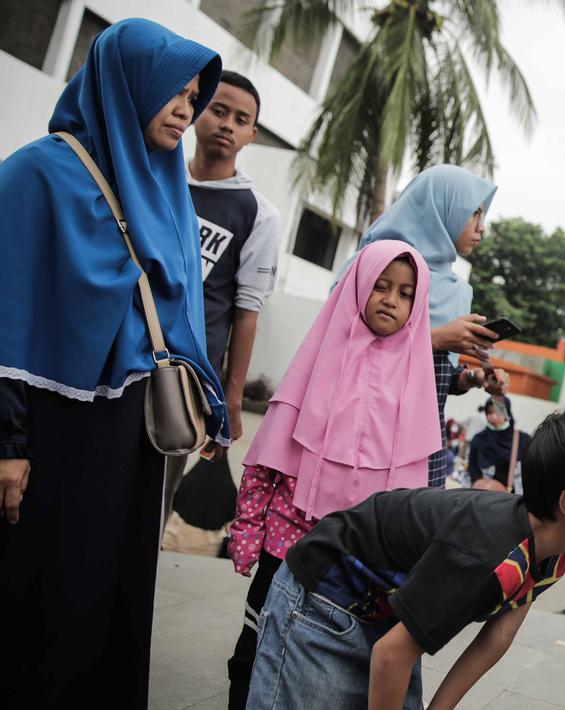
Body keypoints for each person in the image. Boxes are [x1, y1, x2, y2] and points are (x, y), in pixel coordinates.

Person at [0, 19, 226, 707]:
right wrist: (7, 443)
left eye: (194, 95)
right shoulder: (37, 173)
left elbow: (180, 312)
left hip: (133, 434)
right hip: (48, 429)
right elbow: (5, 313)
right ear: (125, 84)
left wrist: (212, 407)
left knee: (109, 591)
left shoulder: (165, 188)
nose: (186, 108)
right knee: (38, 593)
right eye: (173, 92)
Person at [245, 403, 565, 709]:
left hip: (387, 615)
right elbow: (392, 655)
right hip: (322, 601)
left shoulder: (554, 552)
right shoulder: (486, 557)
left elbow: (499, 634)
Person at [226, 241, 439, 708]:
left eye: (406, 293)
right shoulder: (318, 359)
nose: (390, 299)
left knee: (318, 669)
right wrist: (247, 530)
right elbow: (267, 460)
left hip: (353, 565)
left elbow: (409, 494)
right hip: (285, 544)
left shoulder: (414, 382)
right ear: (357, 287)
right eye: (381, 287)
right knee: (253, 651)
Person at [343, 164, 511, 489]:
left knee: (408, 535)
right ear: (440, 208)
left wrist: (473, 378)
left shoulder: (458, 290)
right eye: (473, 213)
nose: (482, 227)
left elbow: (438, 380)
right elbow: (341, 350)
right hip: (361, 435)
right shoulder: (372, 266)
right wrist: (435, 339)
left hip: (424, 447)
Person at [166, 69, 281, 539]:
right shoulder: (156, 178)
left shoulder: (258, 213)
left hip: (186, 379)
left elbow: (246, 312)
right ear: (195, 110)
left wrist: (232, 399)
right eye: (218, 109)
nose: (227, 124)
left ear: (252, 134)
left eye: (241, 118)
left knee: (156, 492)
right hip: (116, 362)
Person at [467, 397, 531, 492]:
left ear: (507, 413)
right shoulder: (479, 439)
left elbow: (530, 471)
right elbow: (472, 468)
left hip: (513, 499)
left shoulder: (523, 440)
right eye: (489, 413)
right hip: (484, 496)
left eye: (498, 412)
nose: (493, 417)